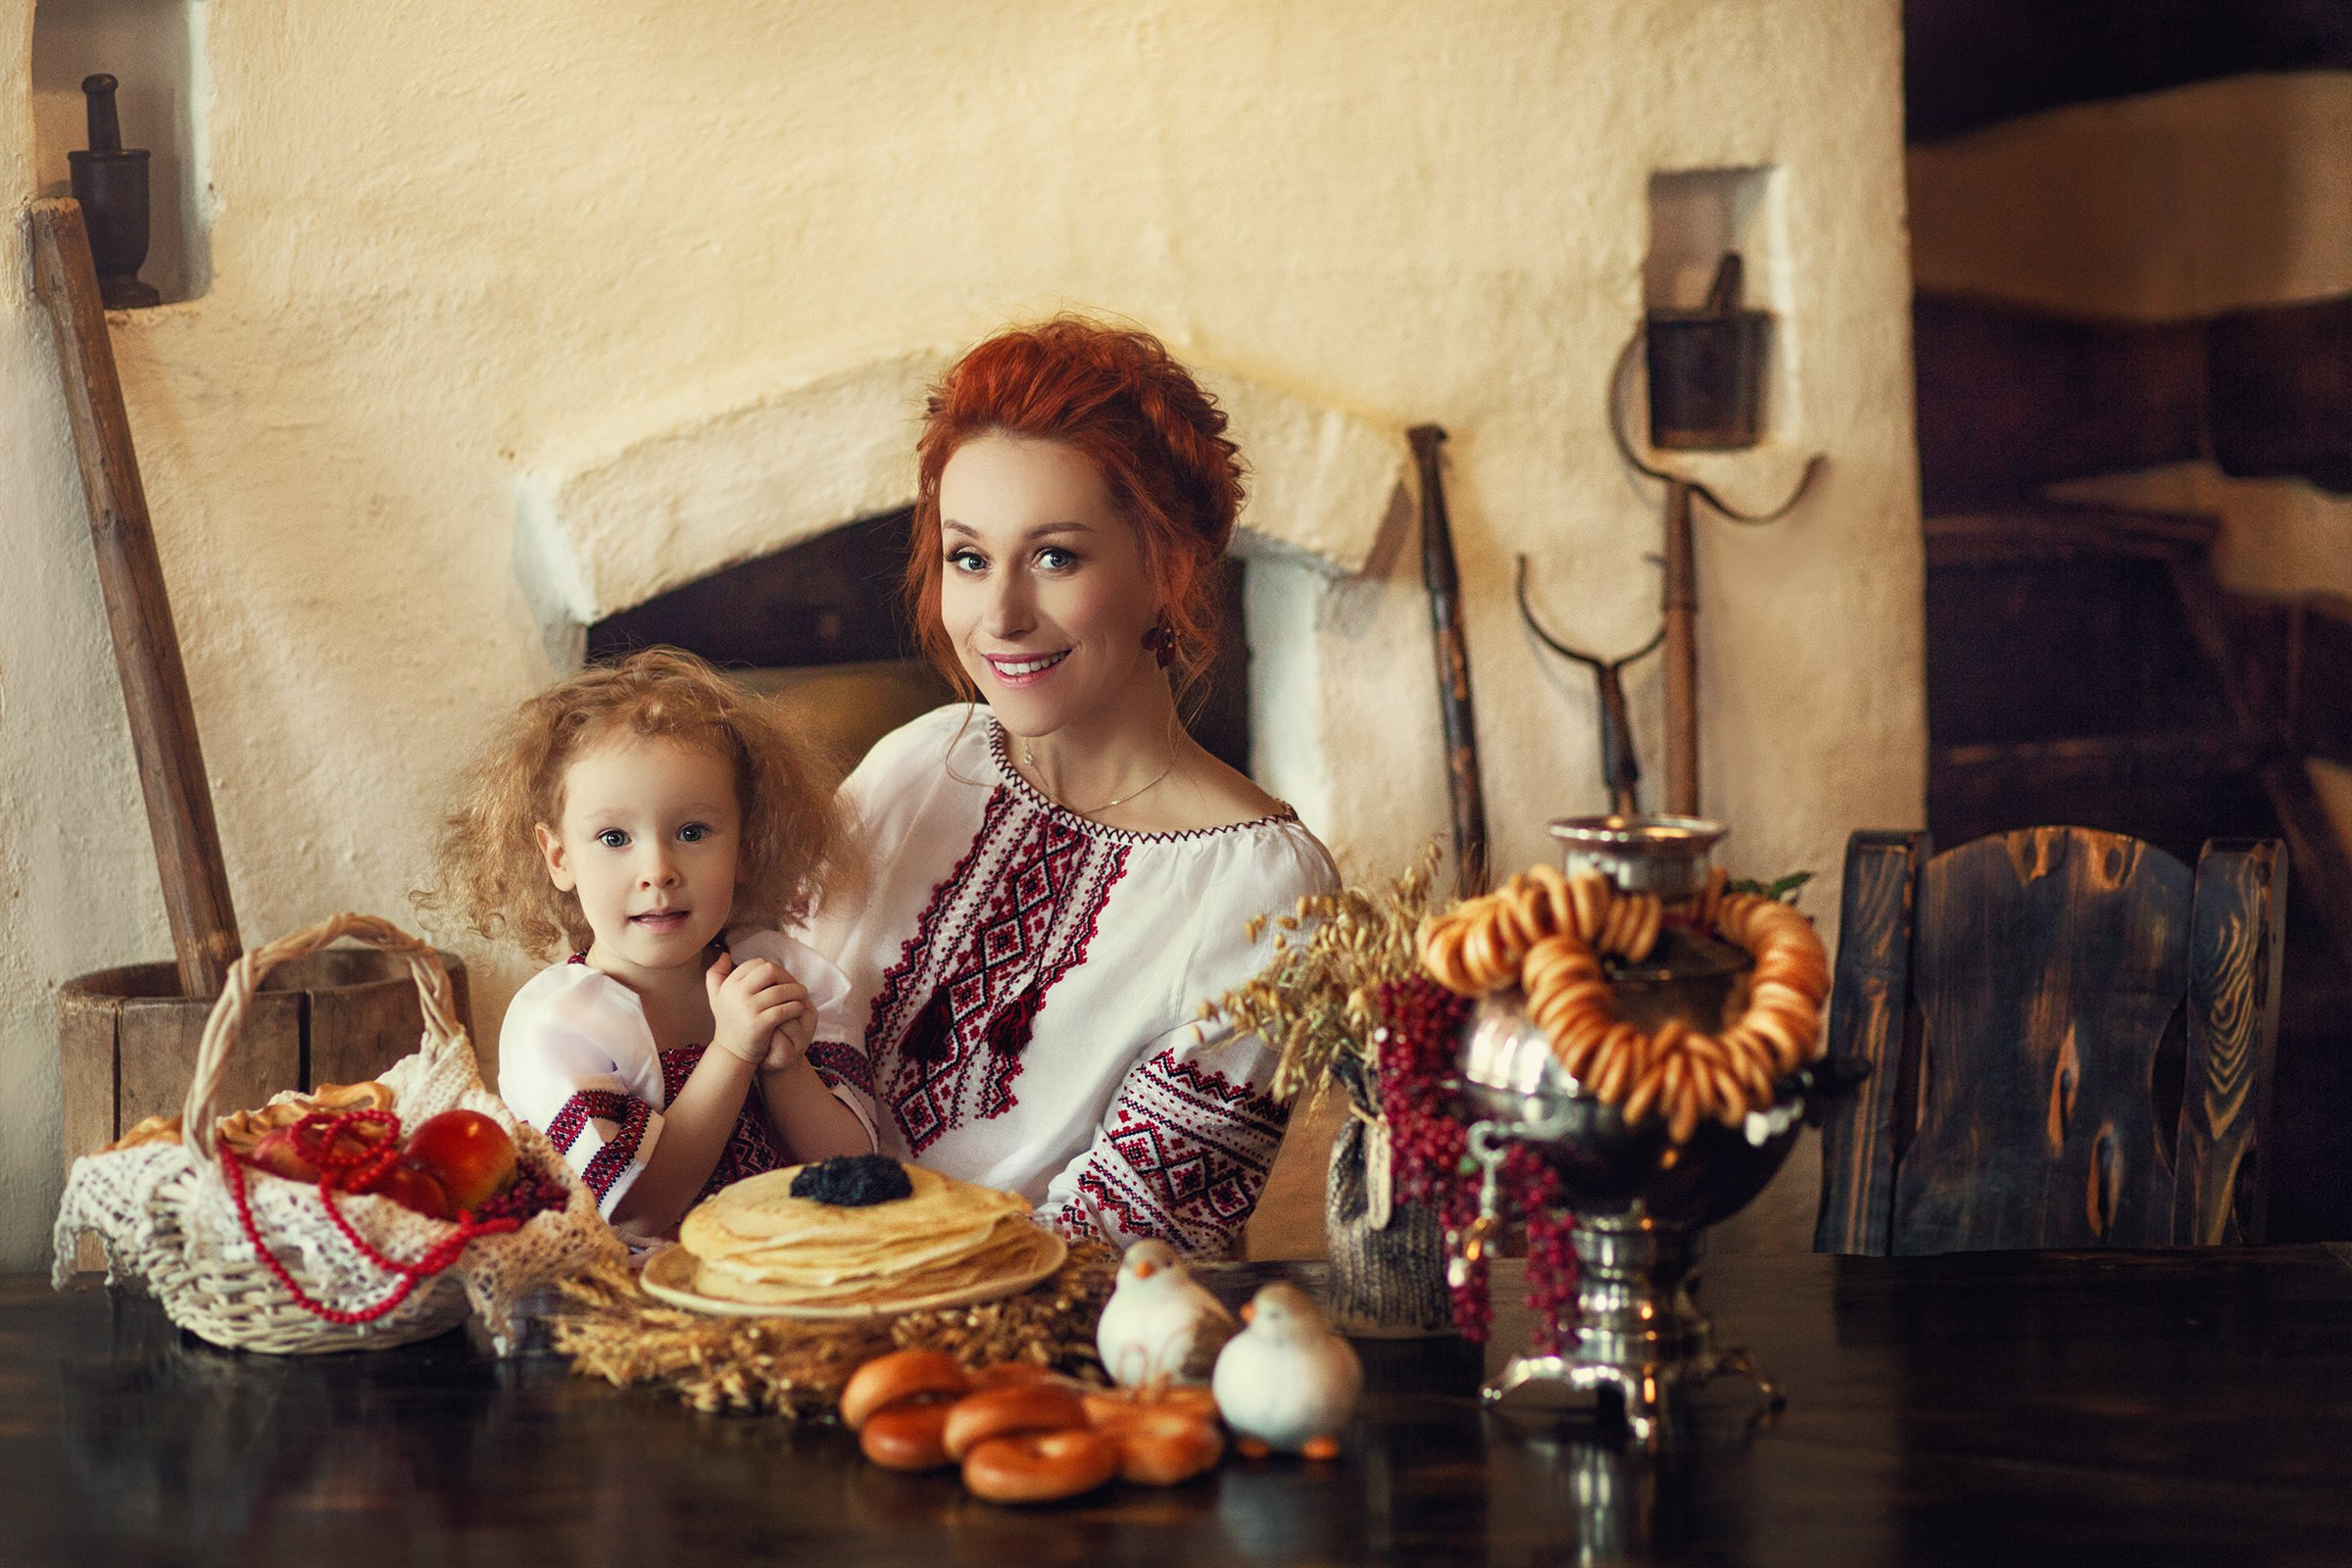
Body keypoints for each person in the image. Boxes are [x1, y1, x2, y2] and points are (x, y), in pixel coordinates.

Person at [800, 318, 1340, 1255]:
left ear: (1168, 569)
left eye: (1056, 556)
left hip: (1026, 1340)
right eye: (970, 558)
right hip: (752, 1284)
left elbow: (1129, 1240)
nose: (1001, 615)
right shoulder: (918, 762)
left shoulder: (1264, 892)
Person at [423, 648, 874, 1238]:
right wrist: (732, 1053)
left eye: (692, 831)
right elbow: (635, 1209)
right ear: (559, 857)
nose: (658, 870)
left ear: (745, 846)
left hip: (800, 1264)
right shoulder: (560, 1023)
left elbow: (860, 1173)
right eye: (614, 837)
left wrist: (786, 1068)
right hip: (640, 1283)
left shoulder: (784, 974)